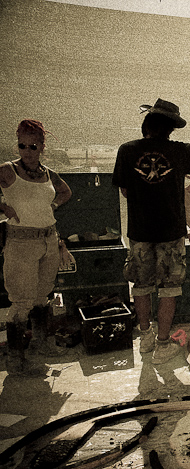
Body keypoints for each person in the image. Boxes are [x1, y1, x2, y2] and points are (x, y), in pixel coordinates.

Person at [112, 99, 190, 365]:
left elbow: (124, 189)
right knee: (169, 289)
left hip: (139, 231)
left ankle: (145, 337)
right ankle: (163, 345)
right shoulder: (181, 152)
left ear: (146, 125)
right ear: (171, 128)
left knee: (140, 285)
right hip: (171, 232)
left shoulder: (127, 151)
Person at [0, 119, 72, 375]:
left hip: (49, 240)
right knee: (21, 302)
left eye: (33, 146)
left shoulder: (48, 173)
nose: (27, 151)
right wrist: (3, 207)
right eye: (22, 146)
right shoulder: (8, 171)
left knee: (43, 296)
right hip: (20, 242)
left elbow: (65, 193)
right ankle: (15, 358)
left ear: (42, 147)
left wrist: (50, 207)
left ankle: (43, 343)